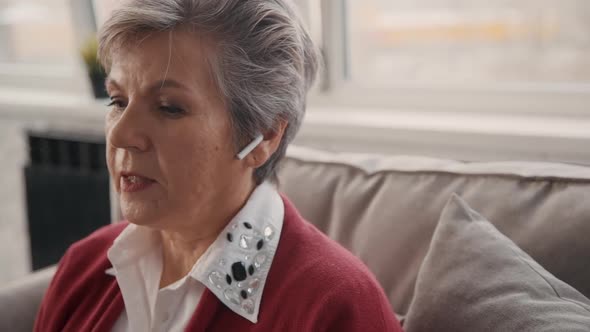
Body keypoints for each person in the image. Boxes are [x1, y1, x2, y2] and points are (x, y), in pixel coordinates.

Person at [34, 0, 404, 331]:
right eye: (117, 101)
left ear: (264, 136)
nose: (121, 135)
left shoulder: (336, 304)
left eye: (169, 108)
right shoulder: (83, 267)